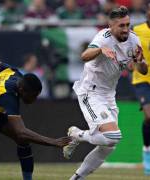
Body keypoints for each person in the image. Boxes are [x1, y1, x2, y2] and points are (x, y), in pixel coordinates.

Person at [63, 6, 148, 180]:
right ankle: (76, 134)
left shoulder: (133, 40)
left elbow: (143, 70)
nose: (126, 29)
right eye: (121, 26)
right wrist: (100, 50)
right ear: (111, 26)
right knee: (112, 136)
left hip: (109, 95)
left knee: (109, 146)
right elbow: (84, 55)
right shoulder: (103, 37)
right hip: (90, 92)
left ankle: (76, 178)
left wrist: (139, 62)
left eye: (127, 24)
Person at [132, 3, 150, 175]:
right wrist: (133, 64)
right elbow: (129, 50)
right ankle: (146, 150)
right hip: (142, 79)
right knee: (149, 116)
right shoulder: (137, 30)